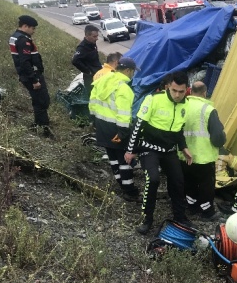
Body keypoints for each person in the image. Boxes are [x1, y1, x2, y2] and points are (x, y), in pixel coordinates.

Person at [124, 71, 193, 234]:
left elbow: (179, 130)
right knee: (153, 179)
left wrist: (184, 147)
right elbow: (138, 125)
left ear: (186, 90)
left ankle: (180, 216)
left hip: (169, 151)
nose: (177, 95)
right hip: (149, 149)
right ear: (169, 87)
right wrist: (131, 150)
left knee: (178, 181)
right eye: (174, 90)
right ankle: (146, 218)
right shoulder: (153, 99)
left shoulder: (186, 105)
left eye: (181, 92)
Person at [89, 57, 140, 202]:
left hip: (101, 125)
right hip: (116, 129)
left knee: (112, 157)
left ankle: (120, 183)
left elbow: (92, 102)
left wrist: (94, 121)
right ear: (128, 71)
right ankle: (130, 191)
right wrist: (123, 132)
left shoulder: (102, 80)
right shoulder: (123, 88)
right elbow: (123, 113)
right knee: (125, 160)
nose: (132, 75)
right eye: (133, 72)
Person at [180, 81, 226, 220]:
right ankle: (207, 211)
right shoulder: (208, 110)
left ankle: (191, 205)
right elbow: (217, 137)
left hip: (184, 155)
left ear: (190, 91)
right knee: (206, 185)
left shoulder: (182, 105)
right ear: (205, 92)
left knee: (189, 182)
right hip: (203, 156)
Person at [9, 15, 51, 136]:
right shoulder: (23, 40)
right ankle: (45, 130)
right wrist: (34, 80)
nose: (34, 31)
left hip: (27, 75)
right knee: (43, 101)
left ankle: (38, 124)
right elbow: (25, 62)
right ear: (25, 26)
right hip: (32, 75)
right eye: (33, 28)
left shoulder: (15, 36)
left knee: (38, 101)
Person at [72, 24, 102, 98]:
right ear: (87, 36)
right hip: (90, 78)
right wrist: (87, 71)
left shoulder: (92, 44)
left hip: (98, 74)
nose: (97, 38)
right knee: (94, 98)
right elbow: (75, 60)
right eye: (94, 36)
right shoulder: (82, 47)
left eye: (97, 36)